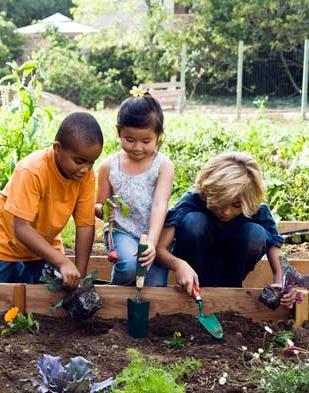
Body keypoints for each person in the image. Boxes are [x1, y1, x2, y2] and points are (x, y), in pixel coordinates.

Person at [0, 112, 104, 287]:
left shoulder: (84, 176)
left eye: (91, 163)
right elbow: (22, 229)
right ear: (57, 149)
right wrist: (63, 262)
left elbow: (85, 225)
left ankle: (19, 273)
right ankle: (14, 272)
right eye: (79, 161)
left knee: (47, 301)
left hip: (43, 246)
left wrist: (79, 276)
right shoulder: (32, 170)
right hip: (3, 243)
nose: (85, 169)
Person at [156, 152, 295, 307]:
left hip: (232, 272)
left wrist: (283, 284)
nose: (227, 212)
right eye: (221, 203)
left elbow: (278, 259)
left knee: (256, 233)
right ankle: (194, 288)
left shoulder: (256, 210)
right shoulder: (193, 200)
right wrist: (178, 265)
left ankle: (231, 290)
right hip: (193, 273)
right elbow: (160, 249)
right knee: (194, 221)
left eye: (236, 205)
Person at [95, 87, 174, 286]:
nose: (137, 147)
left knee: (154, 287)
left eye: (146, 141)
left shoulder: (163, 166)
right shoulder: (109, 166)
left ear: (159, 136)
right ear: (118, 132)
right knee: (129, 266)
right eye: (129, 140)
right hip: (123, 231)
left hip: (155, 232)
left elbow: (159, 205)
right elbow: (98, 206)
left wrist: (153, 243)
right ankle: (115, 304)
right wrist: (104, 210)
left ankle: (143, 314)